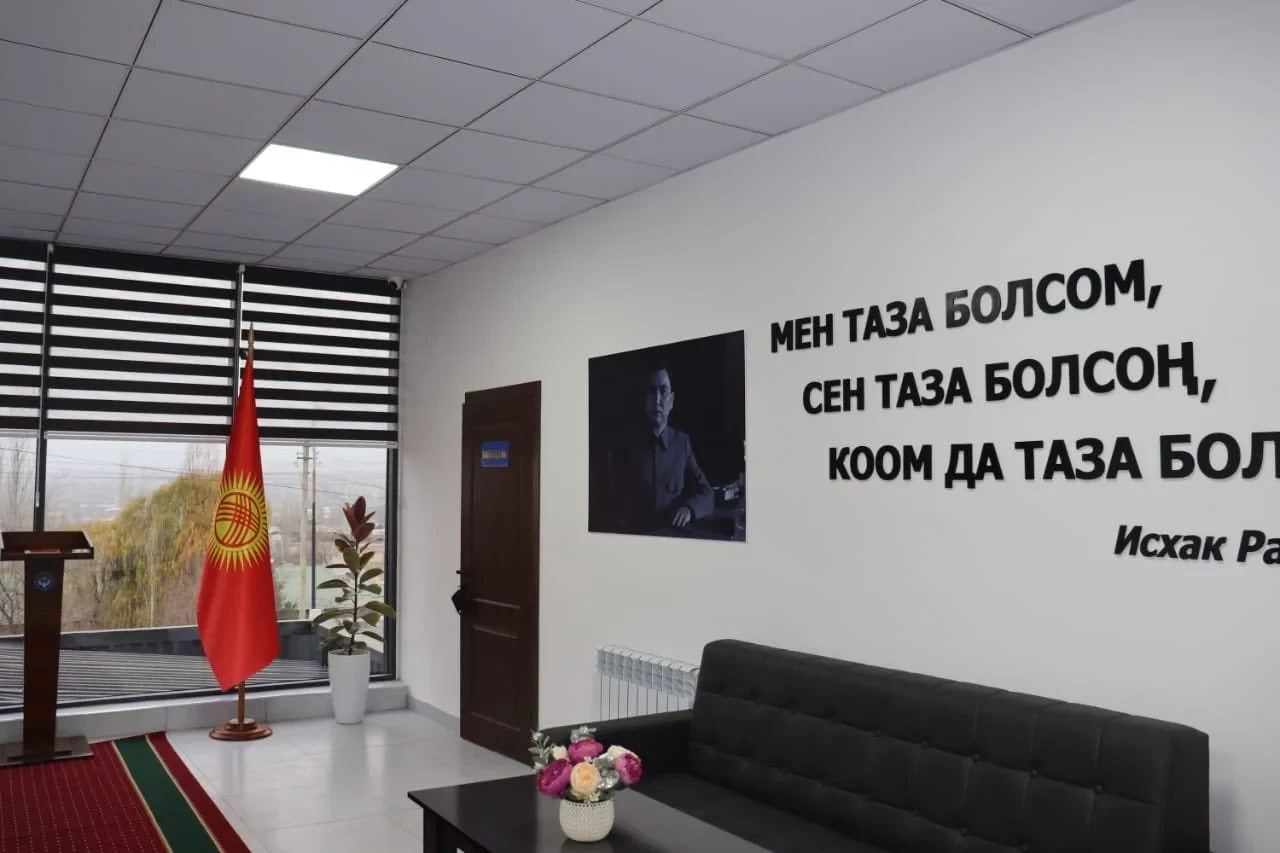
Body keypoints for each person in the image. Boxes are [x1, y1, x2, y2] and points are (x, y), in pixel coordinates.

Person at [597, 366, 715, 534]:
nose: (657, 399)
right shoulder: (624, 444)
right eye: (651, 391)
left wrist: (689, 509)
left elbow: (707, 494)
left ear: (672, 401)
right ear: (645, 400)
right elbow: (608, 501)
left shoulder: (682, 443)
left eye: (663, 391)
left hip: (673, 537)